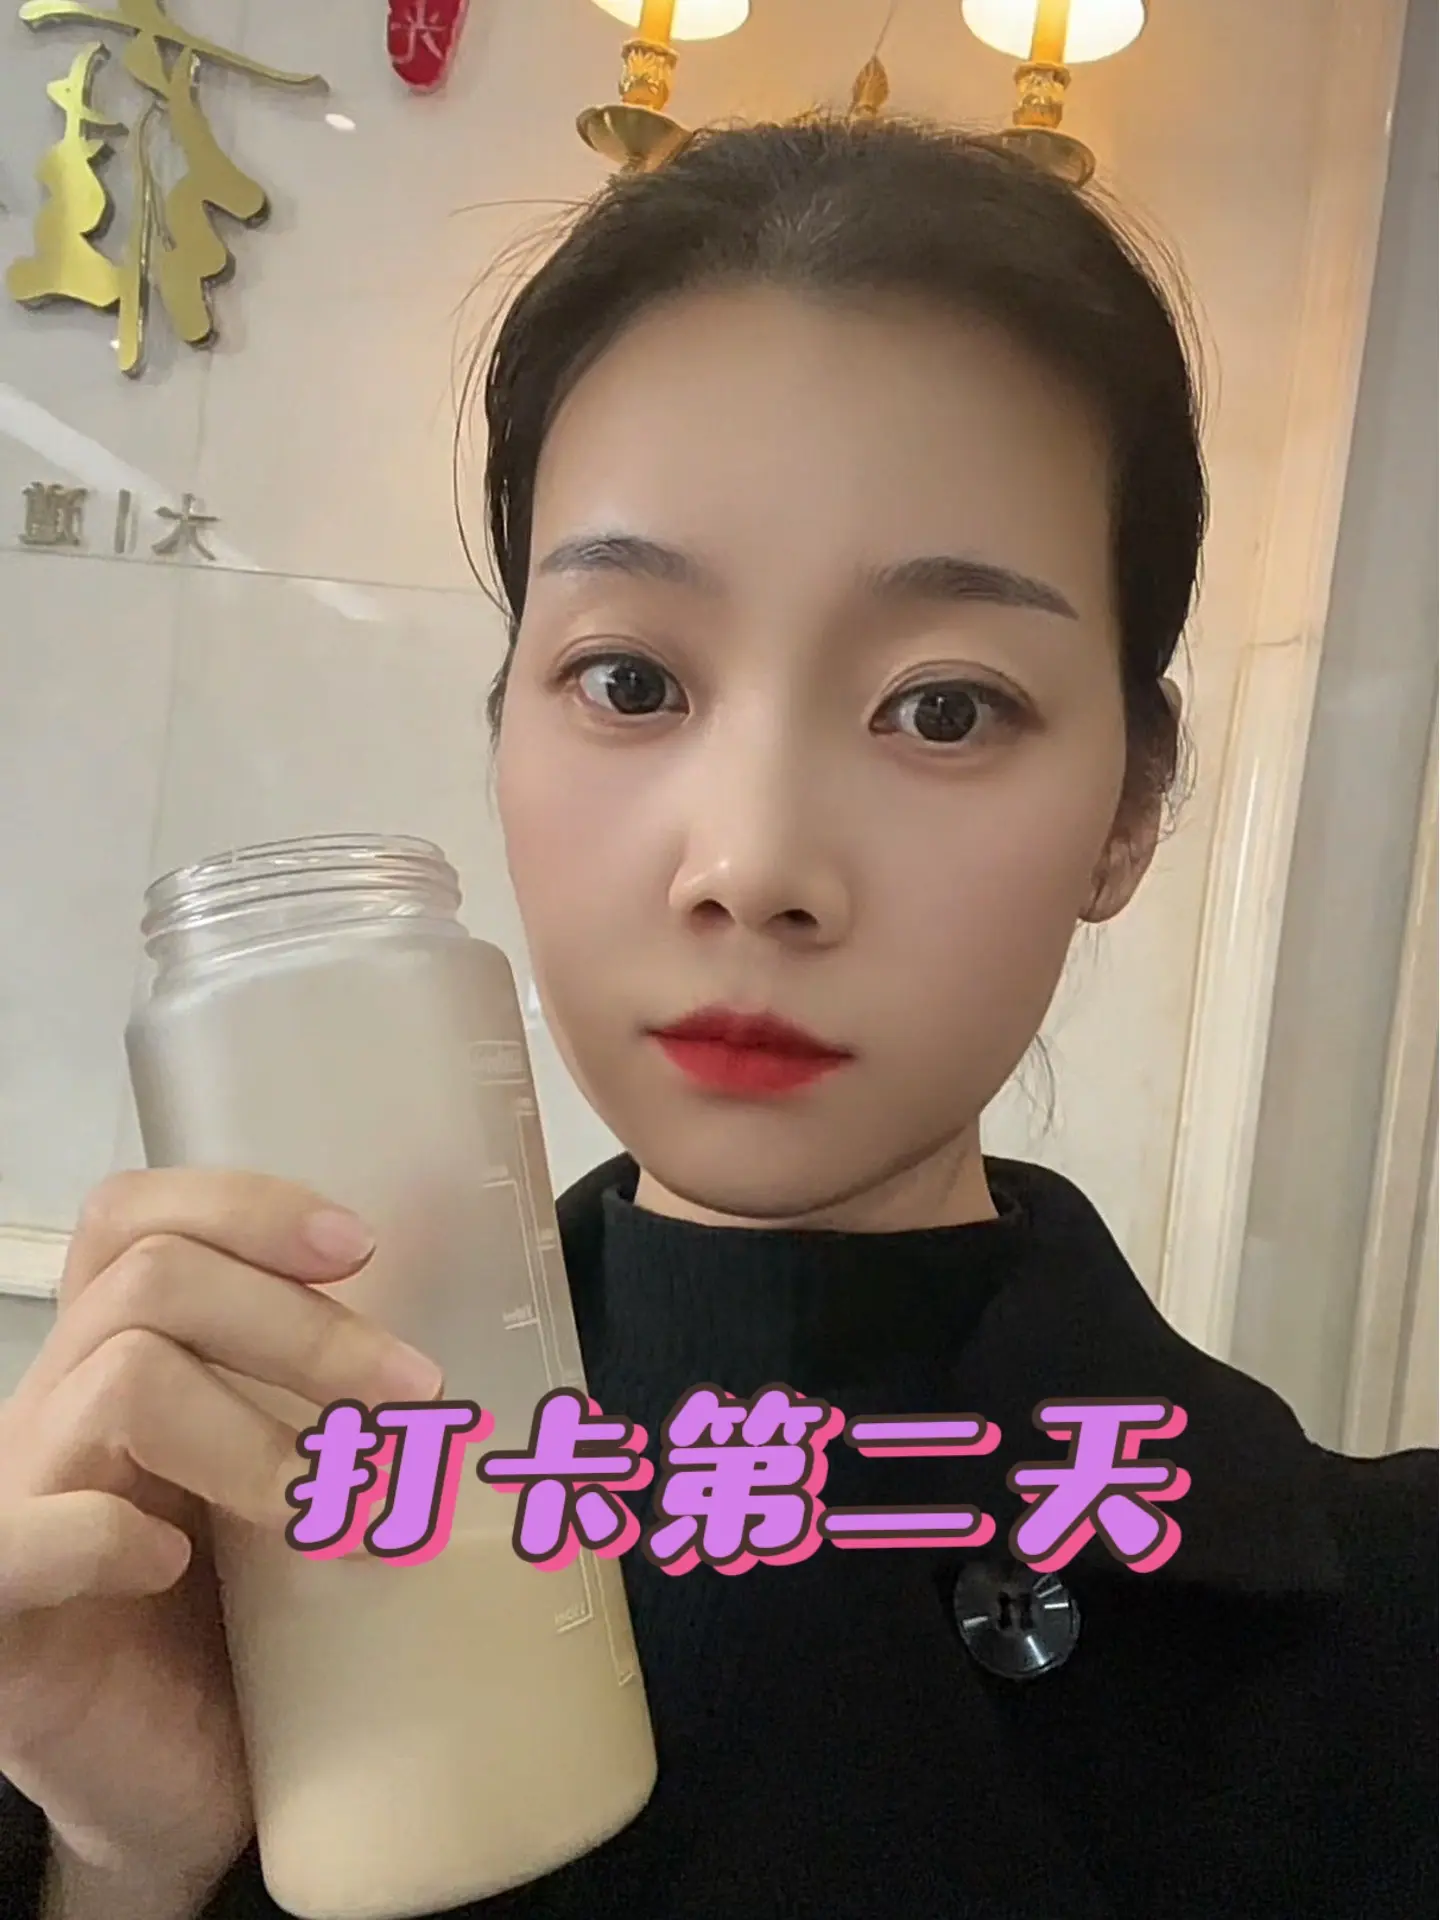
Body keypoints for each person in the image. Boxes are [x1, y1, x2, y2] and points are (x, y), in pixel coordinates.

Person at [0, 118, 1434, 1920]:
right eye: (629, 678)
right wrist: (131, 1862)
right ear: (505, 723)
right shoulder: (249, 1534)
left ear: (1131, 808)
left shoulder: (1392, 1645)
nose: (753, 866)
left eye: (944, 709)